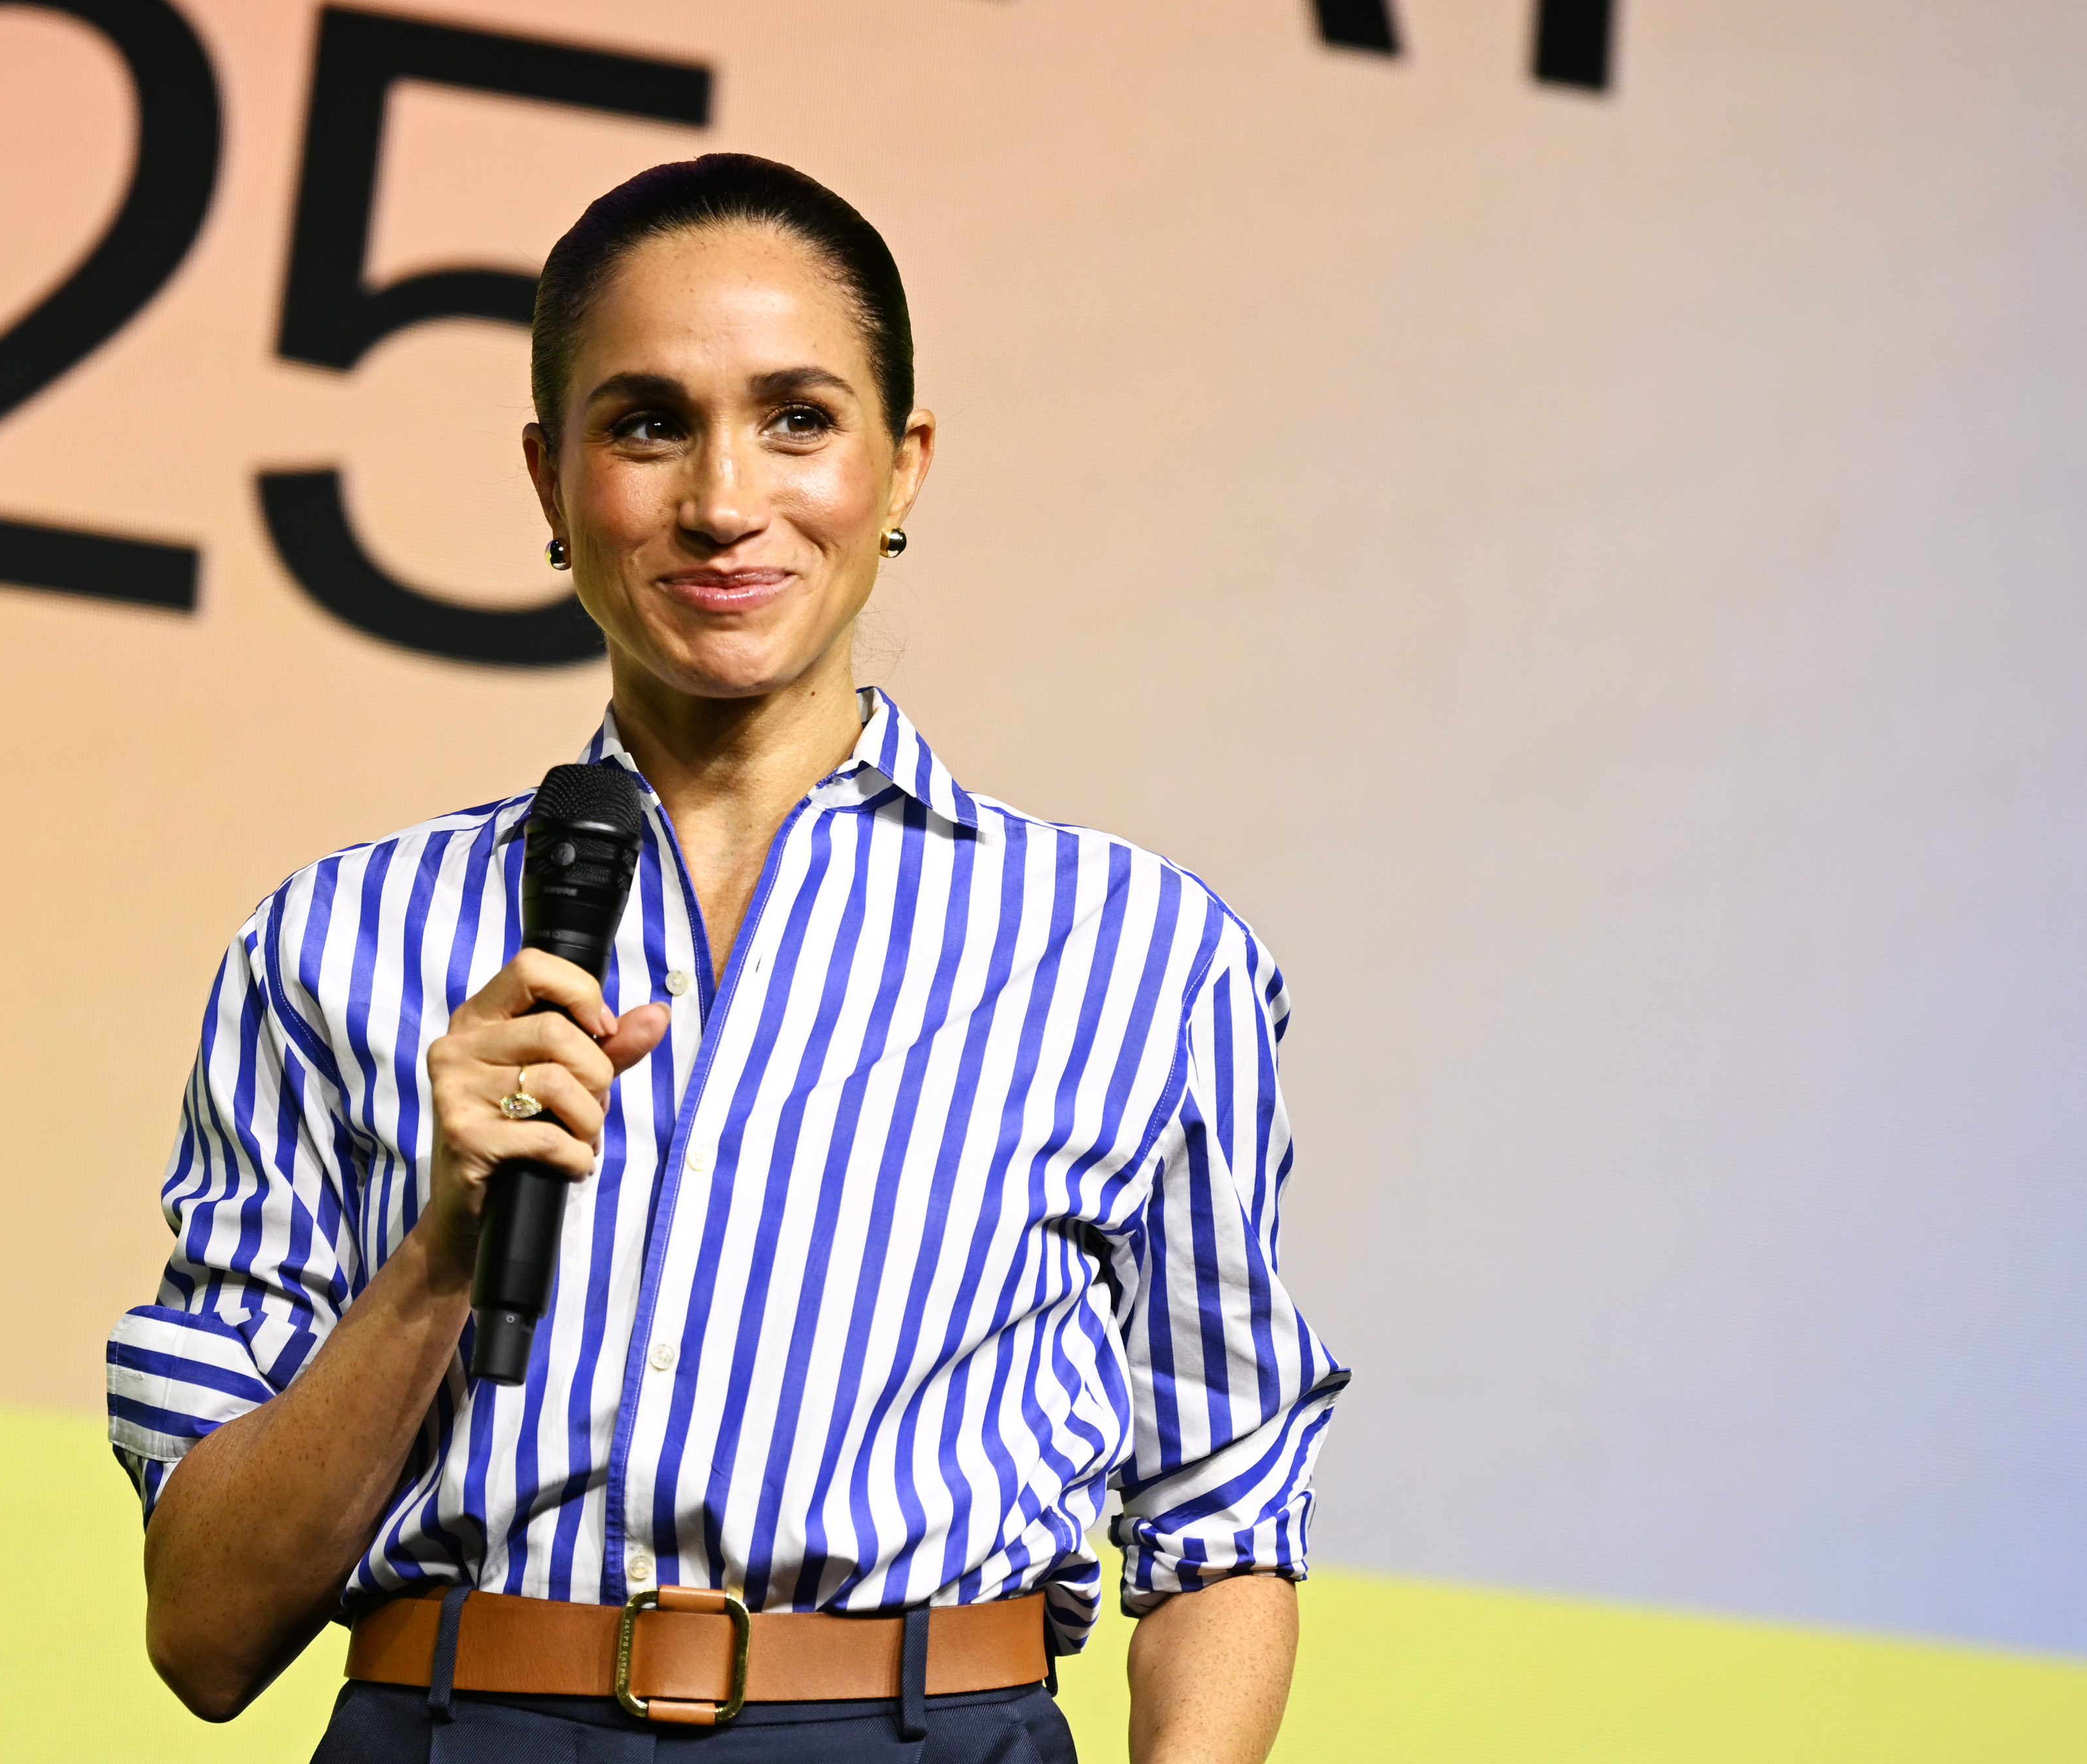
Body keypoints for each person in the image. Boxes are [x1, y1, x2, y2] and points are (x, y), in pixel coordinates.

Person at [104, 154, 1345, 1763]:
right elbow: (203, 1633)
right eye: (645, 424)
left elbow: (1222, 1522)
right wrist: (439, 1257)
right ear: (551, 483)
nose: (721, 498)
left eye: (798, 419)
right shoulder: (339, 940)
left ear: (902, 471)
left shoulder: (1138, 954)